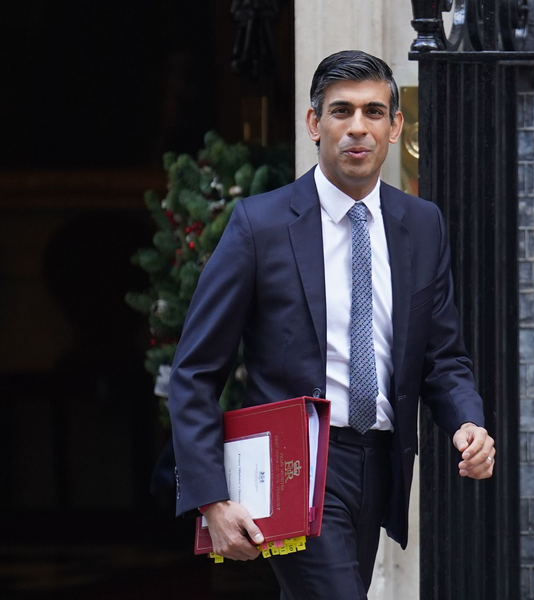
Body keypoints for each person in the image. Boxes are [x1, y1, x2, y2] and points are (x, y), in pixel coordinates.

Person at [167, 50, 495, 600]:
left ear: (395, 127)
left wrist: (466, 421)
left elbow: (443, 355)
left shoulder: (422, 224)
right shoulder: (259, 225)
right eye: (341, 111)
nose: (357, 127)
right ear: (315, 123)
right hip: (296, 463)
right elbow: (196, 370)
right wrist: (213, 498)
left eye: (373, 112)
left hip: (383, 463)